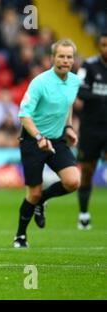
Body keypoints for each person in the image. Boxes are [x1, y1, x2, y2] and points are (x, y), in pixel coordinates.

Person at [13, 39, 81, 248]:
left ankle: (42, 201)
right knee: (32, 192)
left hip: (57, 139)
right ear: (53, 58)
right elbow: (23, 114)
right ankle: (20, 236)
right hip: (33, 140)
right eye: (61, 56)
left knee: (73, 181)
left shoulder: (74, 81)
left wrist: (68, 127)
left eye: (69, 57)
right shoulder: (40, 82)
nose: (65, 61)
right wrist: (39, 138)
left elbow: (66, 105)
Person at [76, 32, 107, 230]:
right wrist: (101, 96)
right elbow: (79, 90)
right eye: (104, 44)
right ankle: (84, 214)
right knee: (87, 171)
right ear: (99, 46)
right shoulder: (88, 66)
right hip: (91, 128)